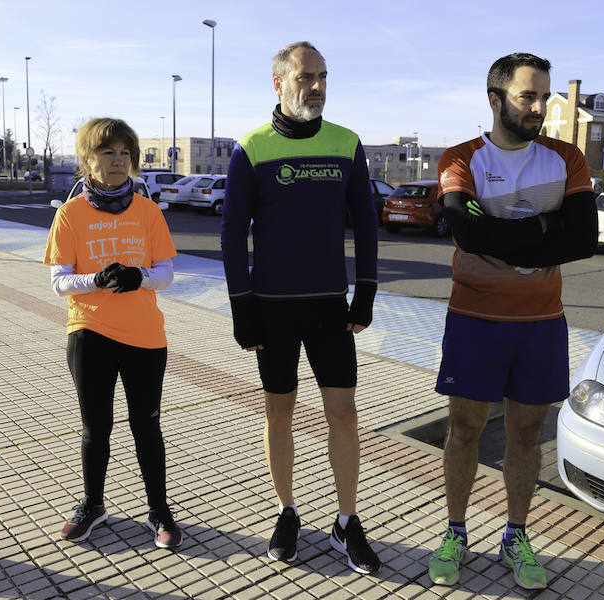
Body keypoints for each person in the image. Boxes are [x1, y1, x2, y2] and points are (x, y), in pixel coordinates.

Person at [428, 53, 597, 590]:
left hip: (541, 322)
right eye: (528, 96)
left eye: (544, 96)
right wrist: (546, 227)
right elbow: (464, 229)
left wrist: (500, 230)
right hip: (475, 319)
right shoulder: (460, 159)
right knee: (465, 428)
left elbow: (584, 240)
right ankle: (455, 531)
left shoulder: (568, 159)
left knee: (525, 433)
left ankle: (515, 534)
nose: (540, 107)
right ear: (496, 99)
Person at [221, 41, 381, 574]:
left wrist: (367, 291)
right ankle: (286, 511)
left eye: (323, 76)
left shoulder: (346, 143)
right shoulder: (251, 148)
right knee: (279, 414)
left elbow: (366, 223)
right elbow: (230, 237)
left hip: (329, 308)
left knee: (344, 413)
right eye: (305, 76)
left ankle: (346, 521)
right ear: (279, 83)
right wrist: (242, 308)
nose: (316, 85)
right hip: (271, 310)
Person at [44, 117, 183, 549]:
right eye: (109, 153)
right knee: (95, 427)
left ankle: (158, 509)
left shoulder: (148, 211)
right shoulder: (70, 214)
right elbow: (58, 280)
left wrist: (138, 276)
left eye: (125, 153)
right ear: (88, 159)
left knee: (147, 425)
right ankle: (92, 504)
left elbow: (166, 273)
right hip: (91, 333)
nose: (119, 161)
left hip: (145, 337)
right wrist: (97, 280)